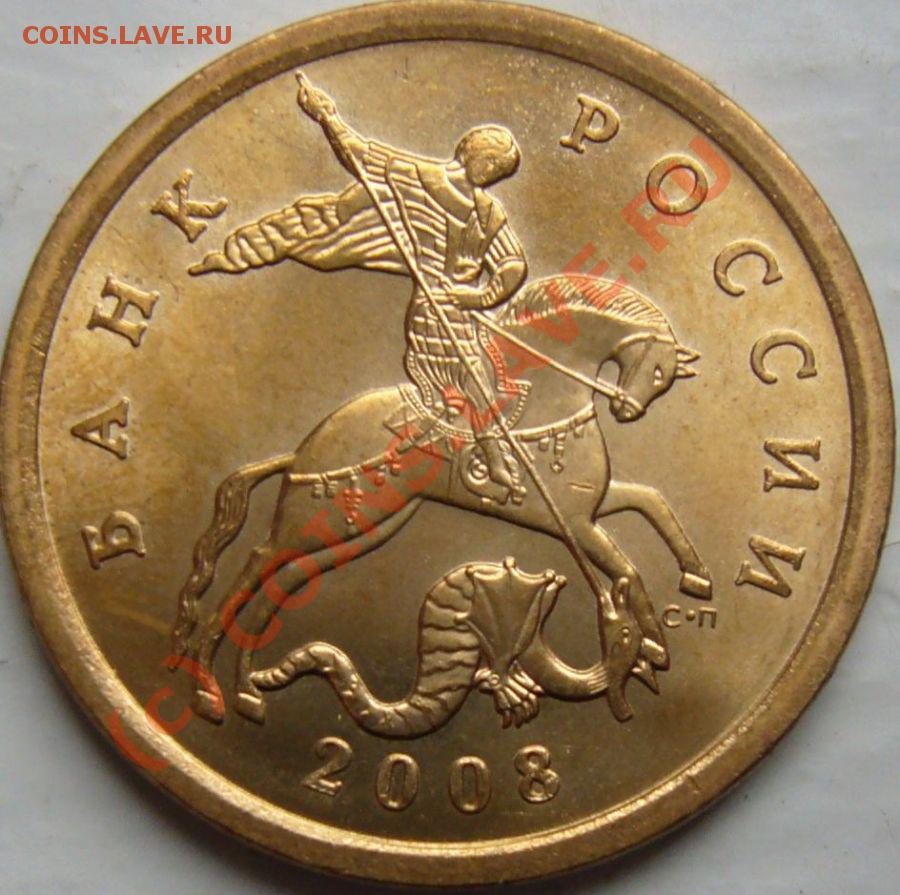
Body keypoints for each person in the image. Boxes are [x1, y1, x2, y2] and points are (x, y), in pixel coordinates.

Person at [191, 74, 529, 502]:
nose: (494, 175)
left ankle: (471, 452)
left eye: (501, 171)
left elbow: (514, 263)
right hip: (434, 310)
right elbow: (359, 152)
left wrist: (480, 296)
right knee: (472, 377)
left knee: (499, 373)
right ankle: (479, 459)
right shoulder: (416, 176)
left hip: (466, 309)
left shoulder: (489, 210)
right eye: (494, 165)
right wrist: (326, 115)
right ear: (474, 155)